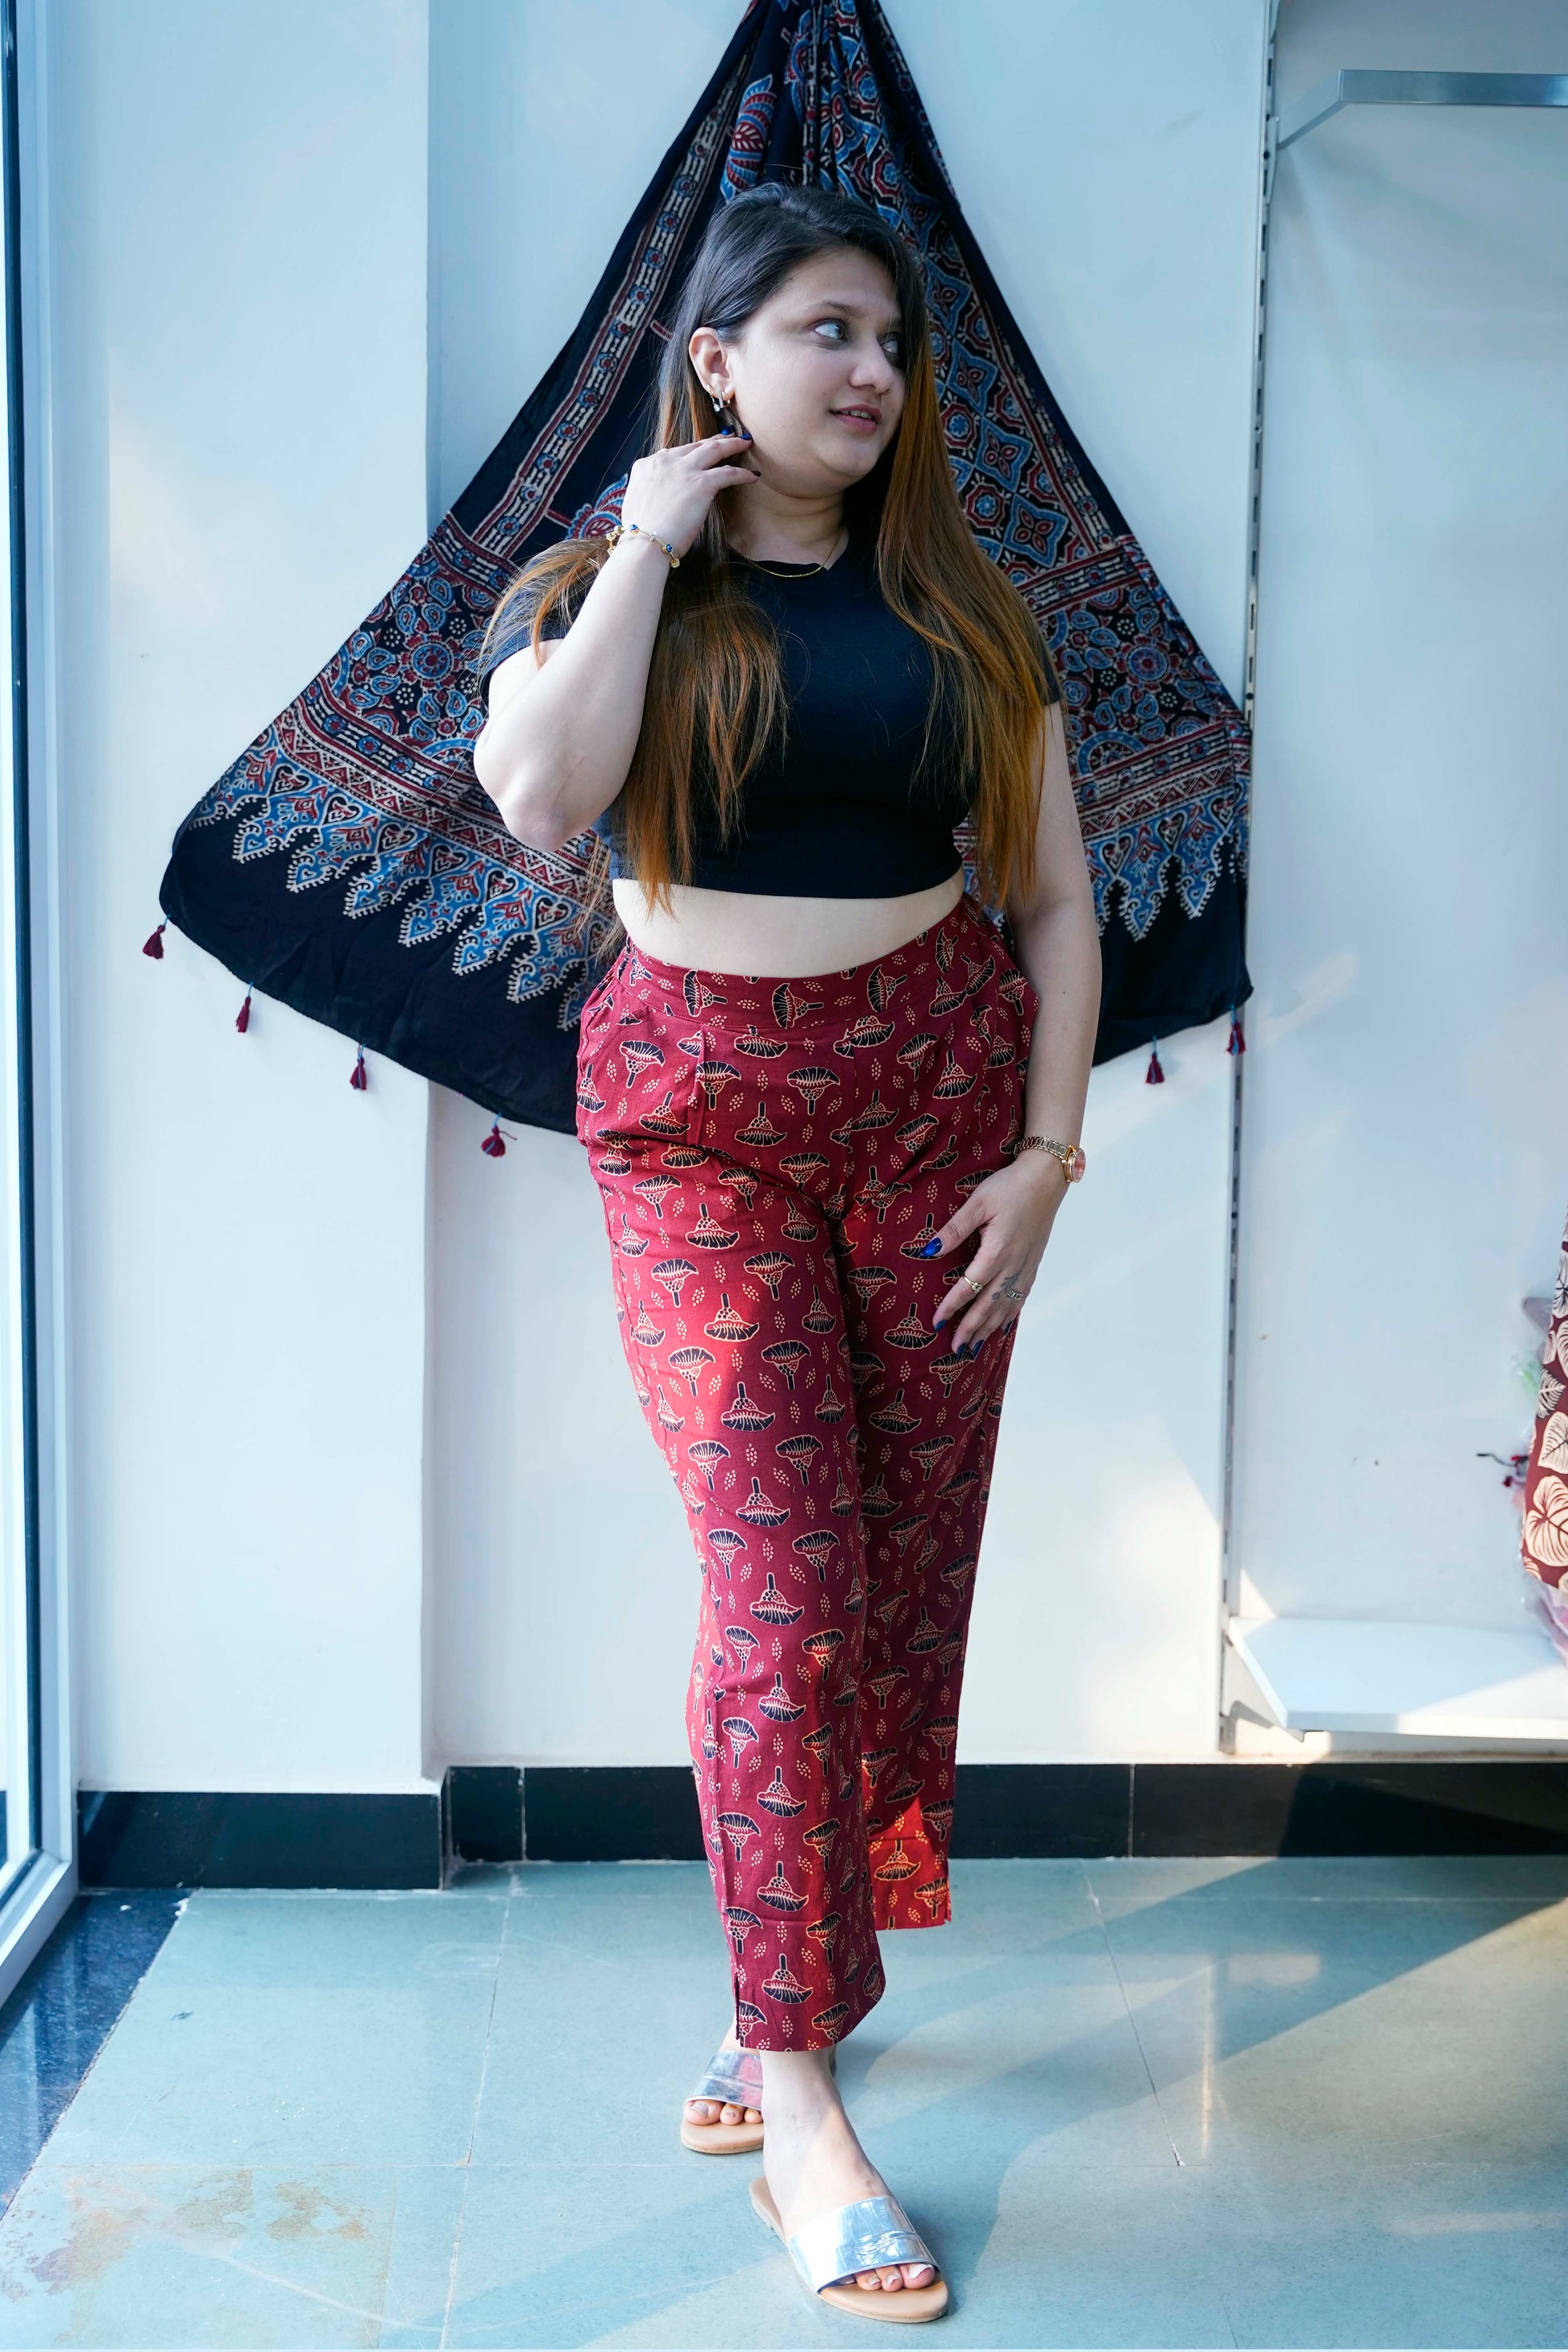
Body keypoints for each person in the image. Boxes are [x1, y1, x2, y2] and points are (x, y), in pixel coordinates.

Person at [473, 181, 1099, 2321]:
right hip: (696, 1127)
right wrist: (651, 542)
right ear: (718, 356)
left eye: (891, 344)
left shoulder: (965, 607)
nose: (870, 373)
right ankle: (801, 2093)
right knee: (781, 1595)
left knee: (894, 1591)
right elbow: (542, 803)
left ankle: (788, 1990)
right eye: (826, 330)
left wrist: (1048, 1155)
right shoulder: (596, 590)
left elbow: (1051, 900)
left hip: (938, 1109)